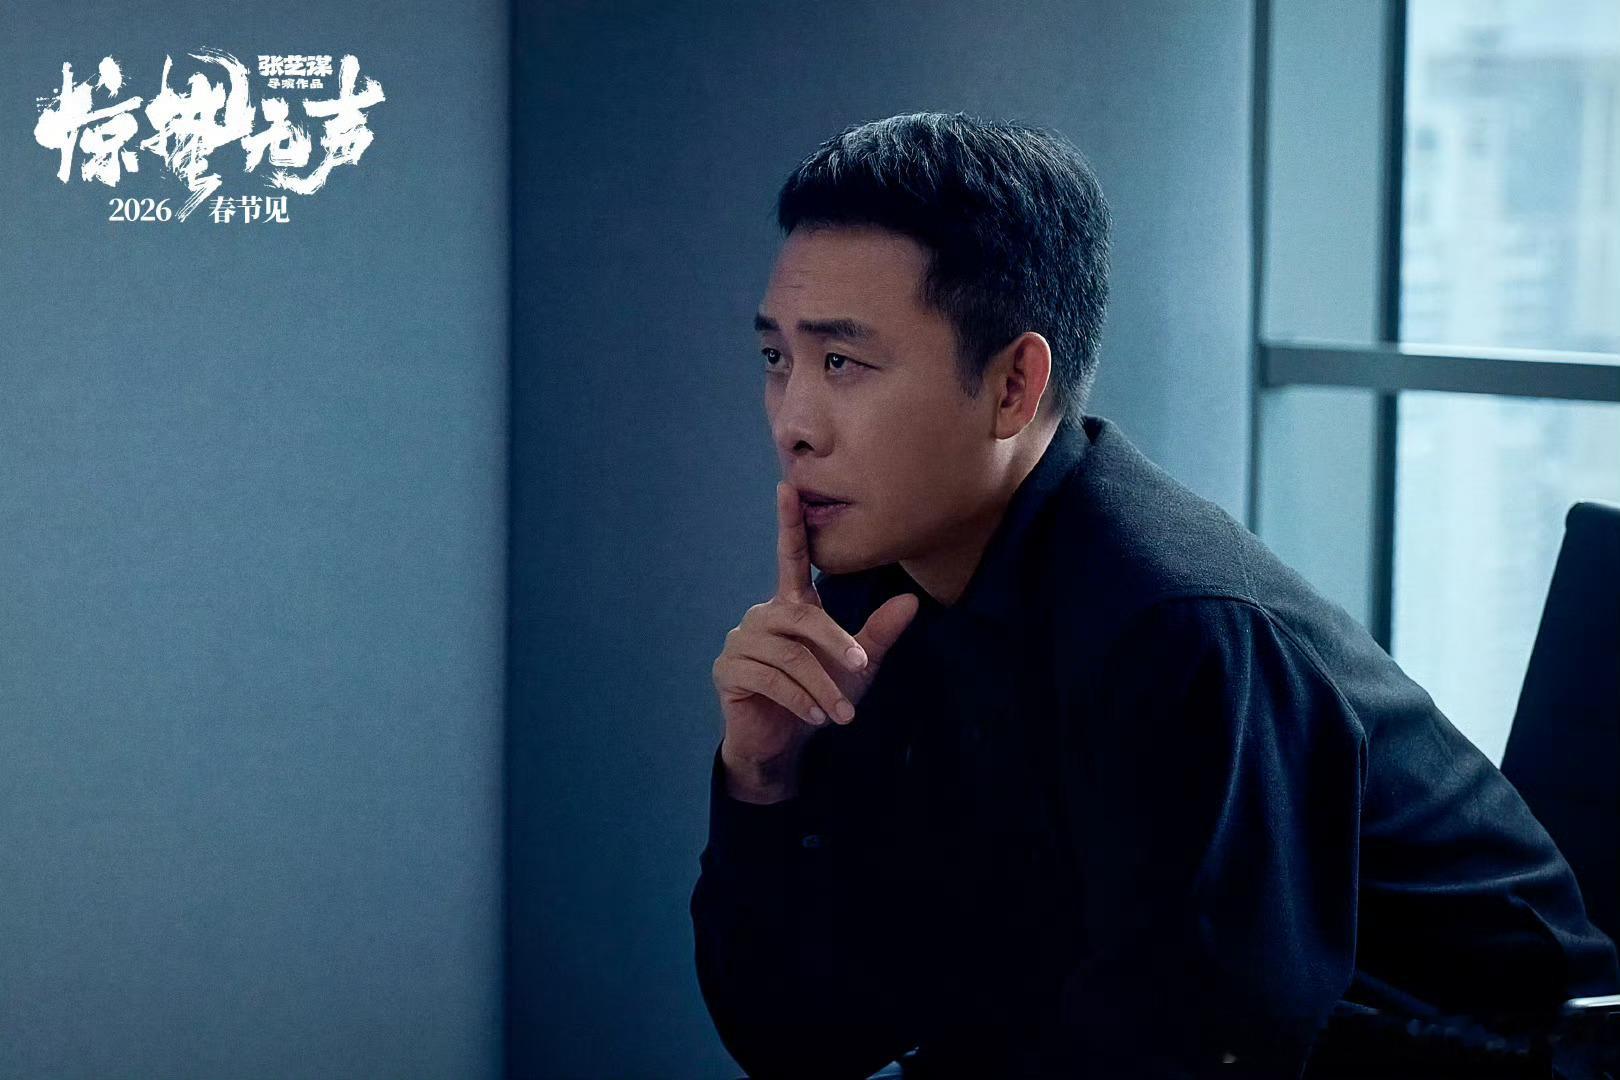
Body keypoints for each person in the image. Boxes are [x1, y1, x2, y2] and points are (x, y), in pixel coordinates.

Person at [688, 111, 1619, 1079]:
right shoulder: (879, 604)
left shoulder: (1176, 629)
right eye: (777, 359)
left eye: (842, 363)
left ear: (1013, 387)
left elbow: (1201, 1054)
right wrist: (763, 779)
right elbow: (807, 1039)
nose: (793, 422)